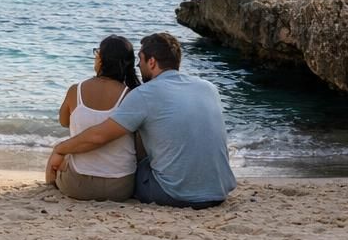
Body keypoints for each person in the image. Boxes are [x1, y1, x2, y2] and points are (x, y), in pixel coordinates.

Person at [48, 32, 236, 209]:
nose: (138, 66)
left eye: (140, 59)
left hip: (174, 193)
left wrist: (60, 148)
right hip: (218, 191)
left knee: (139, 164)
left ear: (152, 62)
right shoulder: (208, 88)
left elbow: (98, 136)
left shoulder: (145, 94)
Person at [47, 35, 139, 201]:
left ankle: (48, 189)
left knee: (58, 154)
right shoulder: (132, 96)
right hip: (120, 187)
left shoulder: (76, 90)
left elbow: (64, 122)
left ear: (100, 59)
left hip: (78, 185)